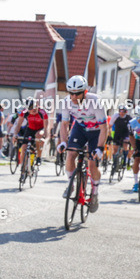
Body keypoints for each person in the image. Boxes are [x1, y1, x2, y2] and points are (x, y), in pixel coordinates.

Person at [57, 75, 109, 211]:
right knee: (70, 154)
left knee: (92, 164)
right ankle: (71, 184)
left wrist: (100, 148)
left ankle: (95, 193)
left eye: (77, 94)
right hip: (80, 128)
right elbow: (64, 124)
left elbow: (104, 127)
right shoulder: (66, 102)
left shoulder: (95, 102)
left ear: (85, 92)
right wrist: (63, 142)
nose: (74, 97)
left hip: (96, 131)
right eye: (71, 93)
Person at [10, 95, 48, 171]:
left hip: (40, 129)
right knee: (23, 148)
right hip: (30, 129)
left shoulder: (42, 112)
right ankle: (23, 168)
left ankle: (38, 157)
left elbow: (46, 127)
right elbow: (18, 125)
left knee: (38, 135)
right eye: (30, 109)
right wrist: (15, 135)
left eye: (34, 107)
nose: (33, 110)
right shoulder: (24, 113)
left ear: (37, 105)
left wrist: (44, 137)